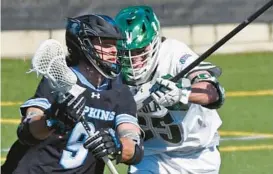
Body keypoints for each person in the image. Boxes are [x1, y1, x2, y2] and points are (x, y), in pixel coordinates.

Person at [1, 14, 144, 174]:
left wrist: (117, 145)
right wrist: (52, 120)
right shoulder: (59, 80)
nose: (113, 51)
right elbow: (27, 130)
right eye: (105, 44)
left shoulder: (120, 91)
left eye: (115, 45)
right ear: (83, 44)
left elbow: (134, 147)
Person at [115, 6, 225, 174]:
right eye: (126, 52)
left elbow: (212, 92)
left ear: (154, 42)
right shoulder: (112, 65)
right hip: (150, 156)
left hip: (198, 157)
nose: (133, 60)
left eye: (140, 51)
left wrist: (182, 94)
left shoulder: (174, 53)